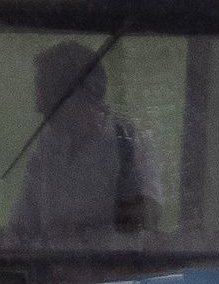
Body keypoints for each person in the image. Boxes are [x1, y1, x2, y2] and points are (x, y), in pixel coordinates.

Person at [9, 41, 158, 239]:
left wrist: (81, 226)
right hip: (49, 267)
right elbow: (23, 220)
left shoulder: (127, 144)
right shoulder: (49, 143)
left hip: (115, 268)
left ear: (76, 95)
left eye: (45, 95)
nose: (38, 106)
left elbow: (147, 215)